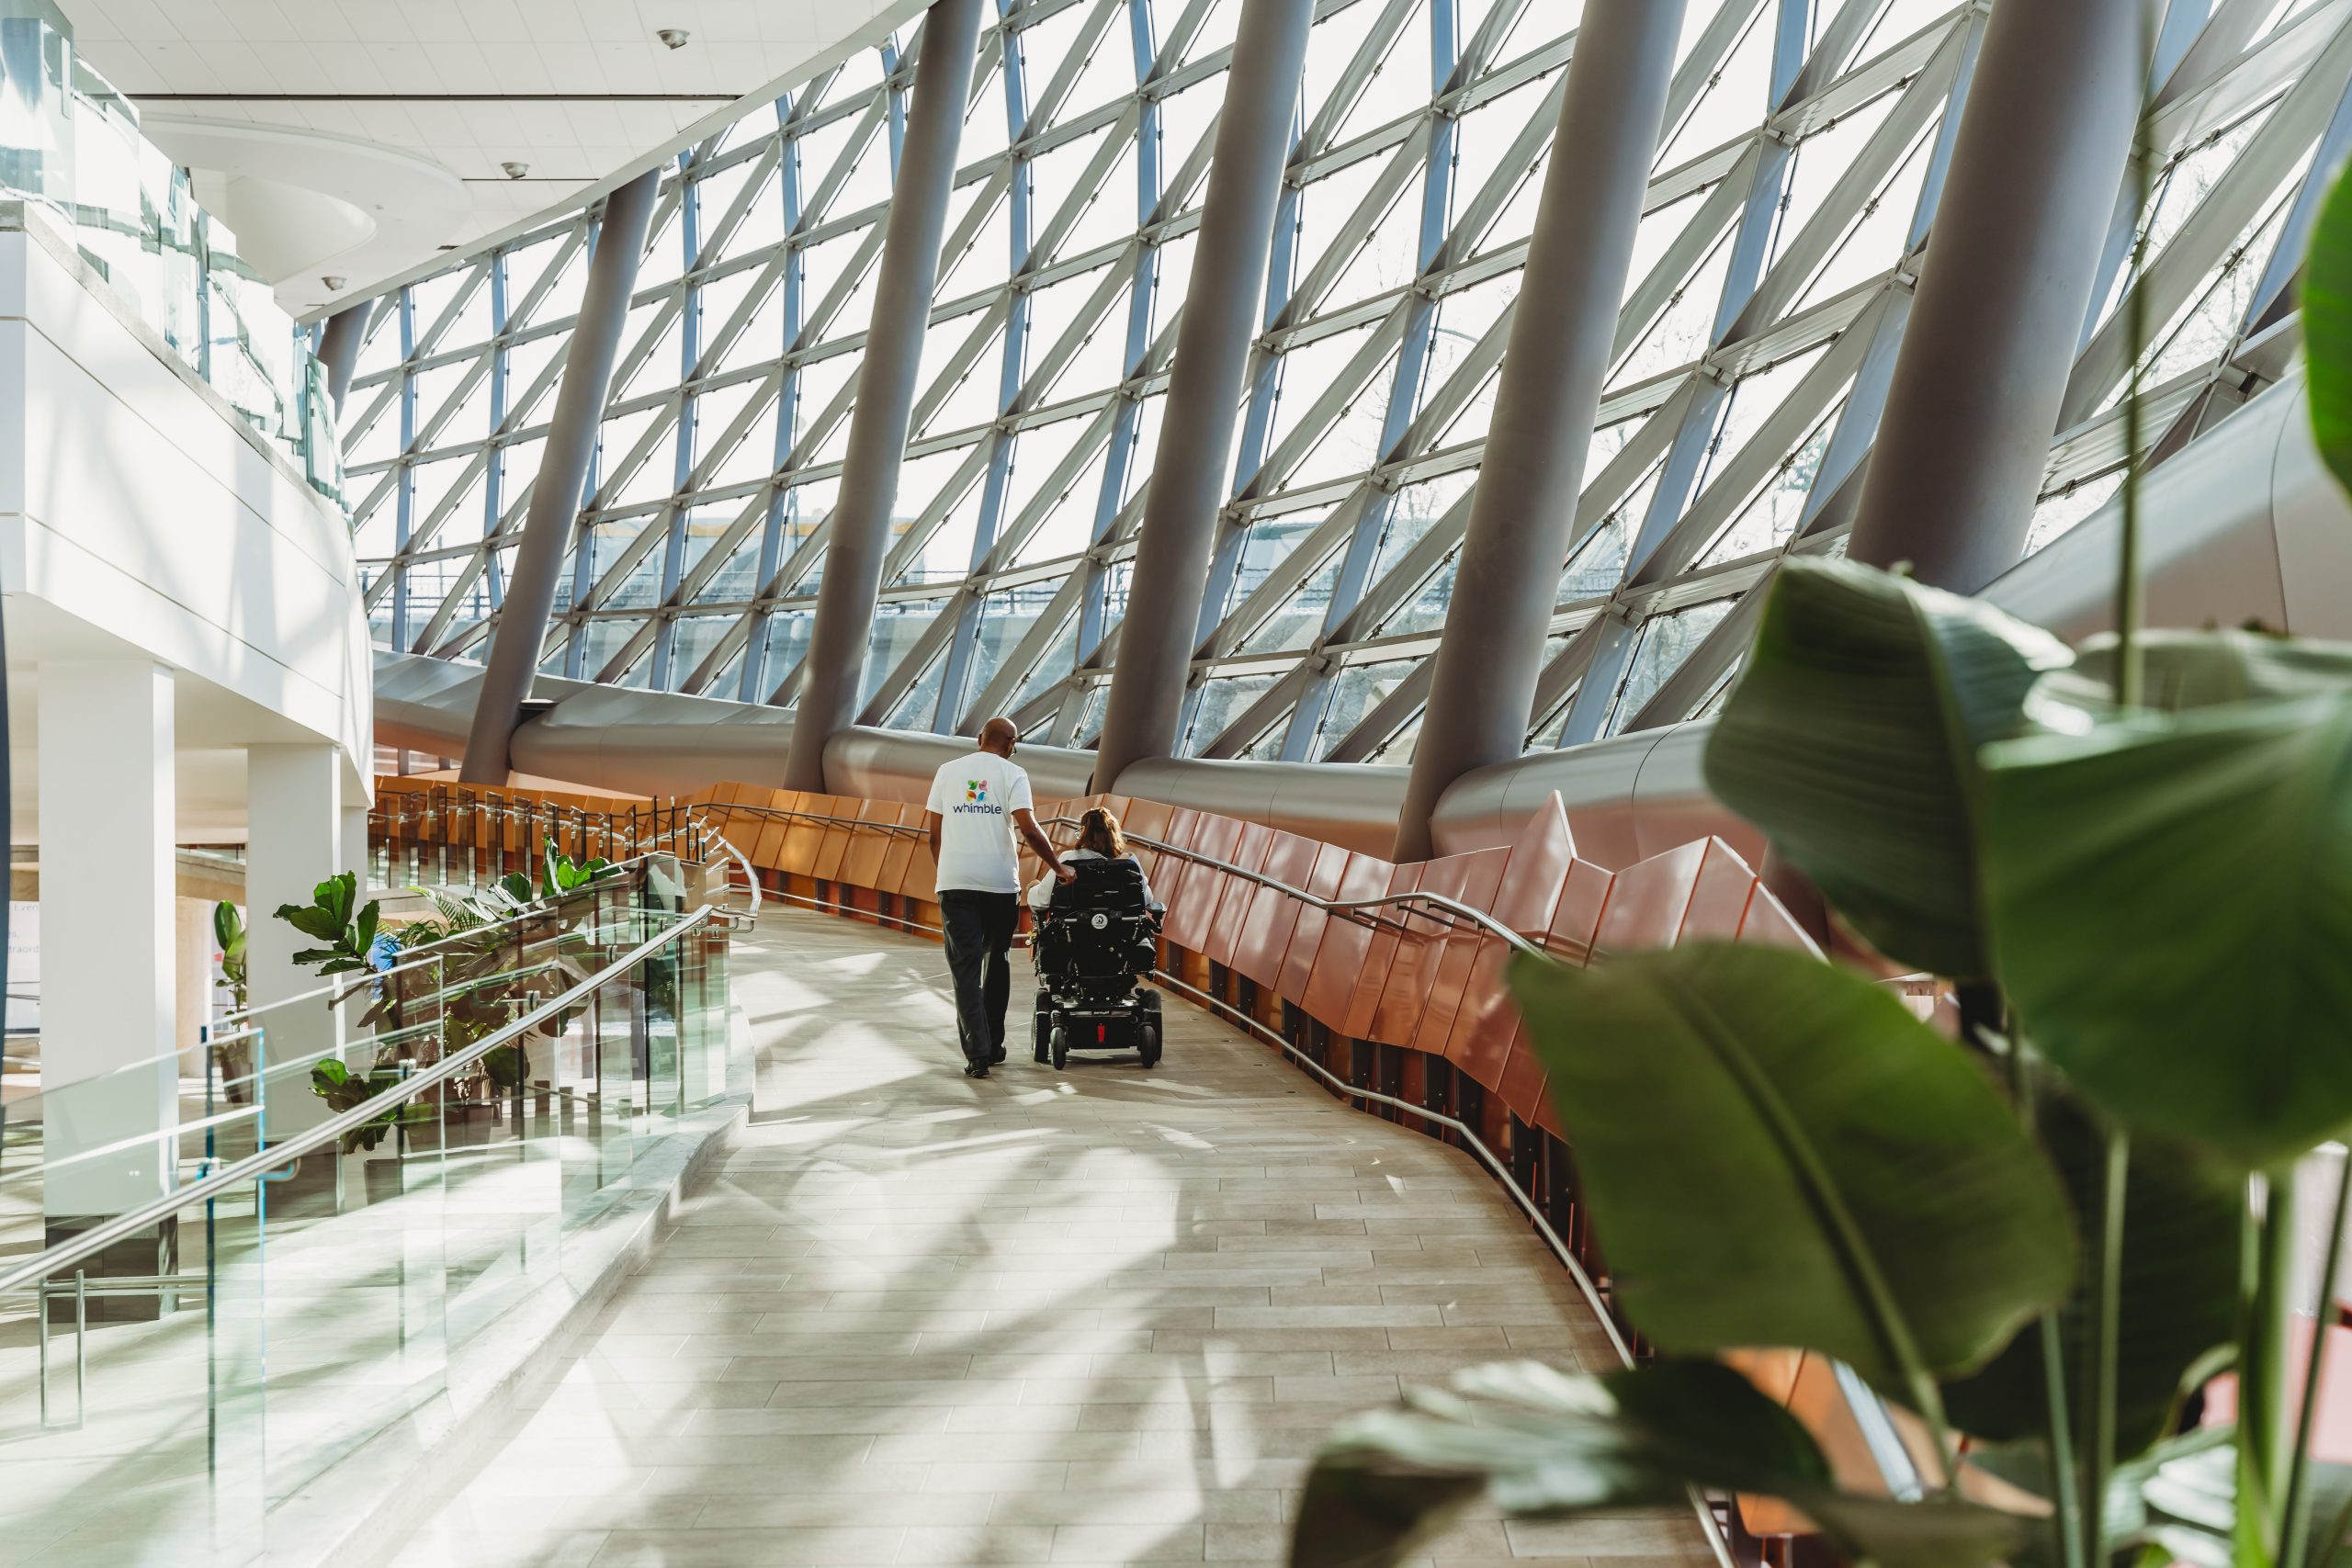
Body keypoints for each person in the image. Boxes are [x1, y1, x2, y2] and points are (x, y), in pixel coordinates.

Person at [925, 716, 1070, 1078]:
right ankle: (996, 1044)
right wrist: (1059, 867)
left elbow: (933, 835)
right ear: (1010, 743)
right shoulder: (1013, 774)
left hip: (955, 884)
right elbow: (1029, 828)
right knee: (997, 959)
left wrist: (947, 872)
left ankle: (977, 1054)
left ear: (980, 739)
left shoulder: (946, 771)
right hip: (1000, 886)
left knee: (965, 969)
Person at [1026, 805, 1158, 911]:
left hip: (1074, 935)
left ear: (1084, 833)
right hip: (1121, 935)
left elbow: (1041, 902)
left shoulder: (1068, 860)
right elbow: (1146, 899)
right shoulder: (1129, 862)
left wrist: (1033, 888)